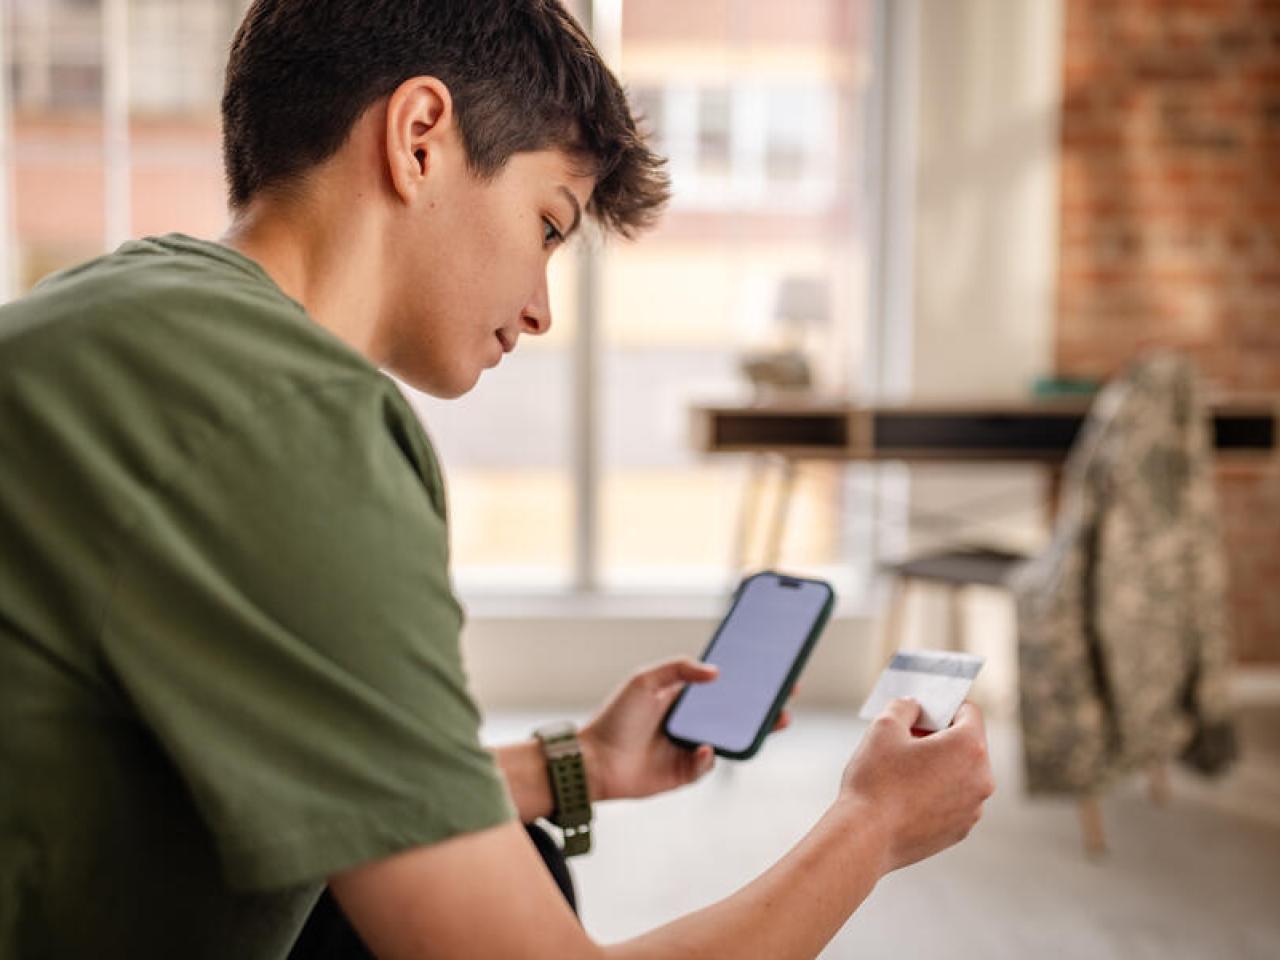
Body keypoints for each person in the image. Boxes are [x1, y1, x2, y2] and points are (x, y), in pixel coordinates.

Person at [0, 1, 995, 957]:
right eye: (550, 225)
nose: (538, 311)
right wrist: (871, 827)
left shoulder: (118, 302)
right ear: (420, 136)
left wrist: (580, 765)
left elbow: (243, 765)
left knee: (504, 853)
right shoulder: (294, 420)